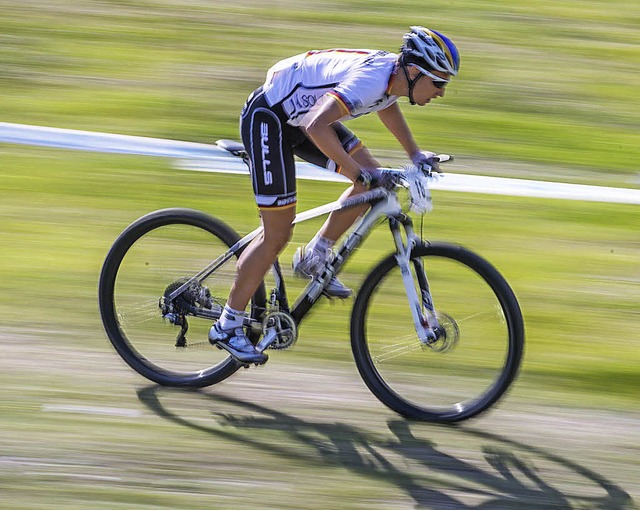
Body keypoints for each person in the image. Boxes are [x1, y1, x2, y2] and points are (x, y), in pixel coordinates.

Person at [209, 26, 461, 364]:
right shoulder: (372, 79)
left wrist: (415, 155)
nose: (442, 93)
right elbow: (316, 126)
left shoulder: (394, 79)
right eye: (439, 82)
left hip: (303, 117)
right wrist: (357, 172)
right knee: (278, 234)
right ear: (415, 72)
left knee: (375, 185)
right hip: (271, 118)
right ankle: (227, 325)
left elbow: (386, 106)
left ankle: (316, 255)